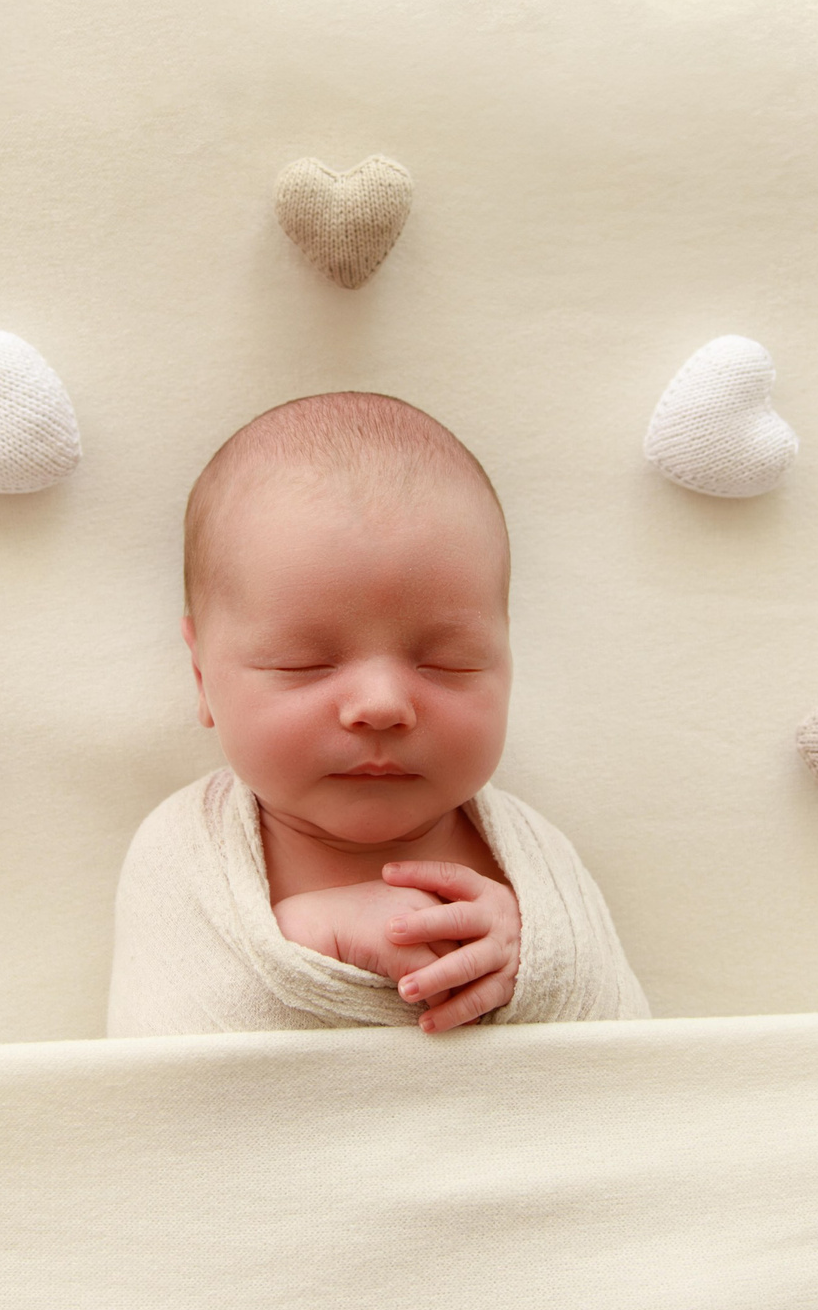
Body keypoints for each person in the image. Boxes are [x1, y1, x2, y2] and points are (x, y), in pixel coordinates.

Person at [106, 391, 650, 1036]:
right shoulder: (184, 849)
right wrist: (305, 937)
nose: (383, 706)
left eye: (448, 661)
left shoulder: (535, 860)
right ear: (202, 676)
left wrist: (536, 964)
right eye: (304, 662)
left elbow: (620, 1046)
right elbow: (156, 1071)